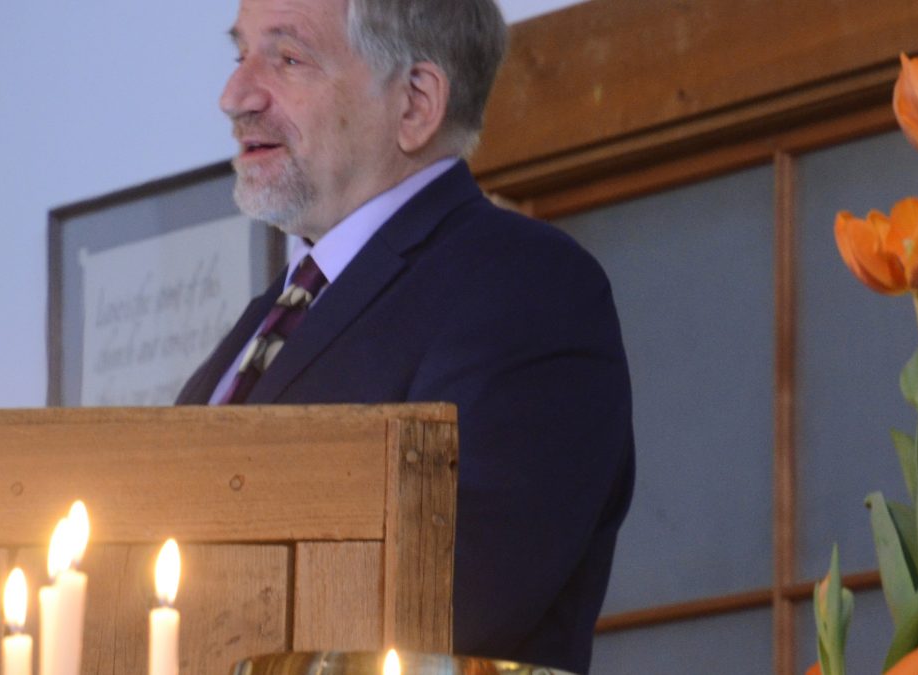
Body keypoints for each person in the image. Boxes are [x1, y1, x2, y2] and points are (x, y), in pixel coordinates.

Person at [175, 0, 635, 671]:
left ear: (416, 103)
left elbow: (451, 605)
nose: (235, 94)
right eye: (240, 53)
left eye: (288, 57)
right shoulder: (272, 312)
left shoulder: (528, 287)